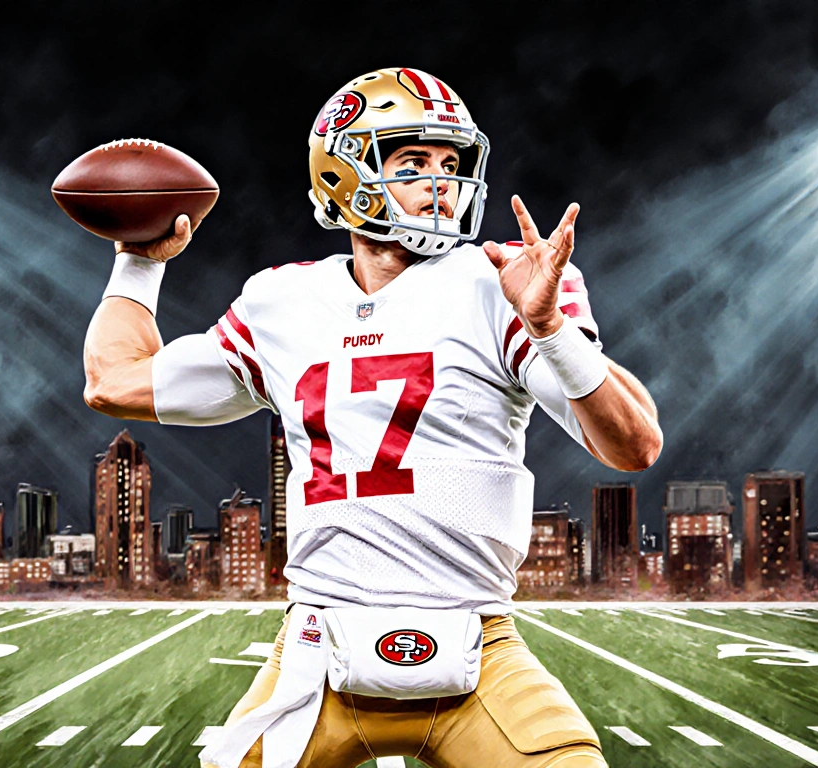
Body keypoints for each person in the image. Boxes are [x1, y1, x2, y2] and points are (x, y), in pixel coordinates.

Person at [83, 67, 662, 768]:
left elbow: (633, 445)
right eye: (413, 162)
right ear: (343, 172)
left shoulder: (502, 280)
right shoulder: (281, 302)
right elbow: (113, 382)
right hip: (317, 655)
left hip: (478, 646)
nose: (442, 183)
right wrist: (139, 261)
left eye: (452, 164)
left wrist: (549, 328)